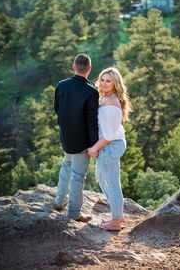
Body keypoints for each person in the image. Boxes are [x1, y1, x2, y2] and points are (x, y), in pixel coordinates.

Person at [54, 53, 99, 222]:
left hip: (66, 137)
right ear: (89, 69)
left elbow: (57, 109)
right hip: (82, 141)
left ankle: (59, 201)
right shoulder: (91, 91)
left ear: (74, 67)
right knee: (78, 176)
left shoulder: (61, 85)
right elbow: (91, 121)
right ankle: (74, 213)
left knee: (66, 165)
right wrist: (94, 146)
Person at [88, 67, 131, 231]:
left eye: (109, 81)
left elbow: (109, 134)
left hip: (111, 145)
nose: (104, 83)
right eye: (102, 80)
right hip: (108, 143)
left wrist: (94, 149)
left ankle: (116, 221)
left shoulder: (112, 102)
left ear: (115, 83)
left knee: (111, 183)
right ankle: (117, 214)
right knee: (101, 178)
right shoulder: (104, 98)